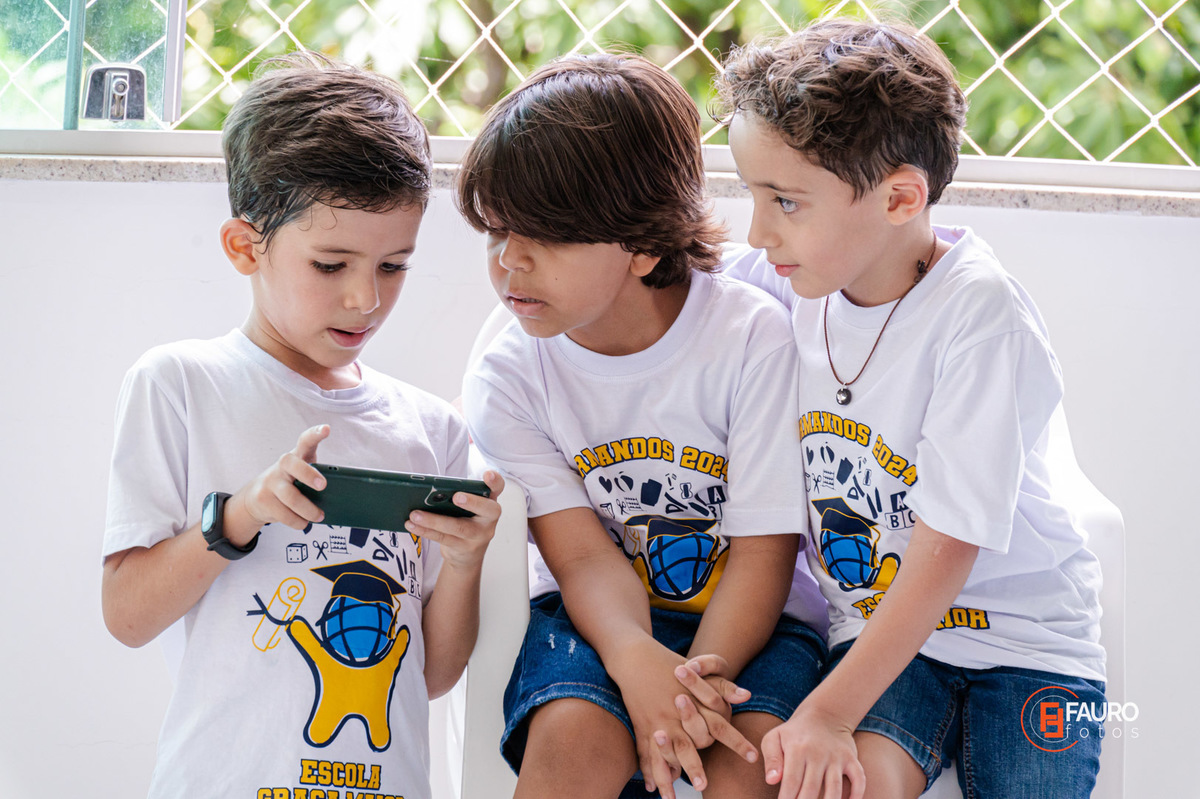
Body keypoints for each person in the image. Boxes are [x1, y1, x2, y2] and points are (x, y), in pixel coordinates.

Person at [712, 17, 1108, 799]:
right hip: (883, 644)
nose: (757, 233)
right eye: (753, 196)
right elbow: (673, 287)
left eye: (785, 201)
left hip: (1028, 647)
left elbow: (948, 546)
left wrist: (826, 712)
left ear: (900, 197)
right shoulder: (787, 277)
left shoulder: (980, 313)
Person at [100, 53, 503, 799]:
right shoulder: (181, 384)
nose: (365, 299)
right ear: (245, 246)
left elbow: (434, 674)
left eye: (393, 266)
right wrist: (243, 513)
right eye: (330, 264)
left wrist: (468, 560)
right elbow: (126, 615)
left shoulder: (432, 428)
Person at [458, 53, 829, 799]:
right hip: (596, 617)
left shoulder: (750, 339)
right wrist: (633, 659)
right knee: (571, 742)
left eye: (546, 236)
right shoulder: (509, 376)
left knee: (750, 767)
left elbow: (764, 553)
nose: (510, 261)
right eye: (495, 230)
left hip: (754, 623)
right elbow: (582, 558)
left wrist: (694, 689)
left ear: (645, 245)